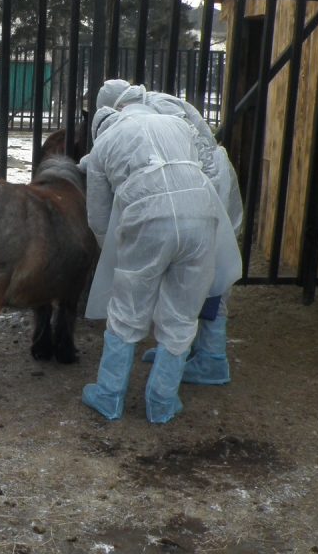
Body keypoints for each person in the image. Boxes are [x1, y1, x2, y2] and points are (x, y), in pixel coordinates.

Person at [78, 97, 236, 423]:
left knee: (127, 310)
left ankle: (109, 395)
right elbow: (210, 171)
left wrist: (113, 253)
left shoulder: (103, 144)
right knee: (182, 311)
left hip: (147, 218)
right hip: (201, 216)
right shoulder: (177, 123)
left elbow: (98, 216)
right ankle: (162, 402)